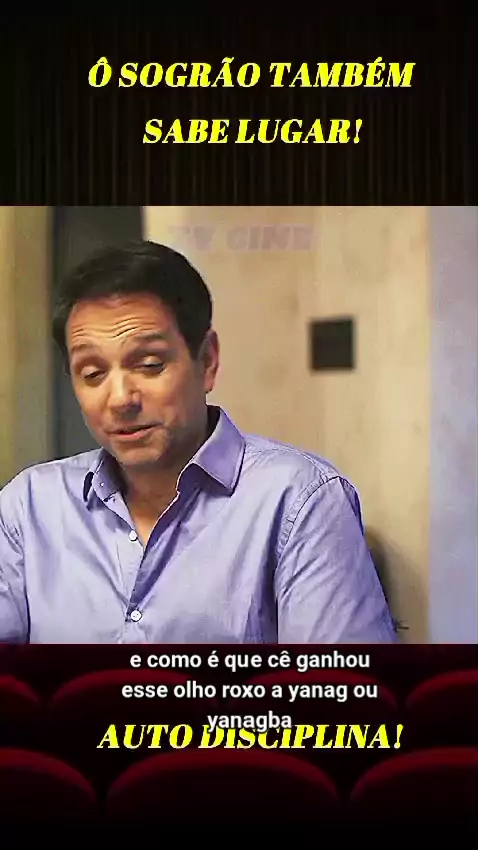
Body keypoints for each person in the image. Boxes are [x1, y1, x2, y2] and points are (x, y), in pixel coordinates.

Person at [0, 240, 397, 644]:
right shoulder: (29, 507)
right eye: (92, 374)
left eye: (149, 364)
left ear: (207, 361)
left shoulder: (299, 501)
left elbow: (339, 679)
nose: (120, 399)